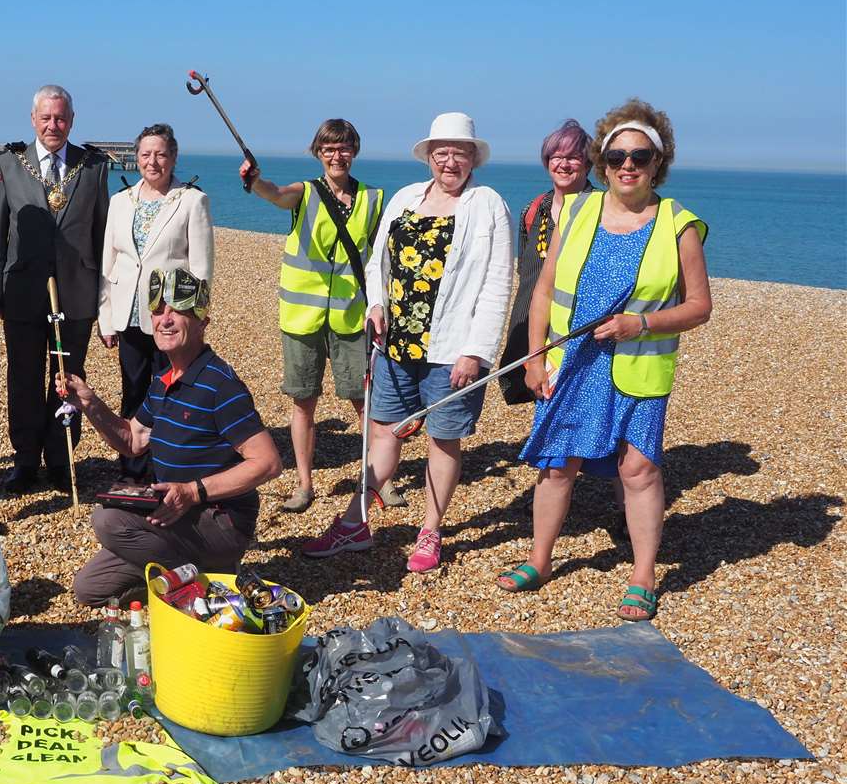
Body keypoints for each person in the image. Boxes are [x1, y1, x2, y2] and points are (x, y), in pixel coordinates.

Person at [498, 100, 710, 621]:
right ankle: (539, 560)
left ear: (659, 161)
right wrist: (532, 361)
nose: (627, 165)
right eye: (616, 156)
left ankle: (643, 575)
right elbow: (543, 290)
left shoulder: (679, 225)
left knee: (638, 471)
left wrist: (640, 324)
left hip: (638, 368)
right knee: (556, 465)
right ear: (603, 162)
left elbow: (700, 306)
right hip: (572, 362)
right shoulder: (577, 211)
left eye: (640, 155)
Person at [303, 113, 513, 573]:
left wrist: (476, 352)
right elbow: (378, 262)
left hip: (452, 351)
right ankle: (355, 523)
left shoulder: (487, 204)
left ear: (474, 157)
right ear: (429, 156)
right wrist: (375, 306)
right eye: (442, 152)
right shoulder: (404, 198)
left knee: (443, 440)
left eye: (460, 152)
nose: (450, 161)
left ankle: (430, 530)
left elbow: (498, 285)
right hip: (394, 344)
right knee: (383, 432)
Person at [58, 268, 282, 606]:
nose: (166, 319)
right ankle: (179, 578)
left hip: (218, 520)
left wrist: (193, 492)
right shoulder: (164, 378)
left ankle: (209, 577)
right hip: (172, 511)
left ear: (203, 320)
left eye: (179, 311)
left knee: (107, 521)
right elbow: (133, 440)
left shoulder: (221, 385)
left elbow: (268, 463)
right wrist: (89, 402)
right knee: (90, 588)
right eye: (159, 310)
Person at [241, 119, 398, 512]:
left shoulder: (374, 199)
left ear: (354, 151)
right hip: (301, 318)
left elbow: (382, 259)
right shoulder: (305, 192)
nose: (336, 155)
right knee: (303, 402)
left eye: (344, 148)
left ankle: (381, 480)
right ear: (318, 152)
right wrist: (255, 181)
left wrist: (384, 306)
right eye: (329, 148)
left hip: (351, 317)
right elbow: (276, 194)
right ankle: (304, 483)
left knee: (366, 403)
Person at [0, 85, 110, 494]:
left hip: (76, 290)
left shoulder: (93, 167)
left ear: (71, 121)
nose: (53, 125)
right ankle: (24, 460)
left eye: (60, 118)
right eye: (46, 118)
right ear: (33, 120)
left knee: (68, 378)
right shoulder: (9, 163)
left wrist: (105, 296)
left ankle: (61, 458)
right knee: (22, 377)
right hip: (21, 290)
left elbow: (103, 232)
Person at [99, 123, 213, 481]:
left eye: (161, 154)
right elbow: (108, 262)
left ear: (174, 157)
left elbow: (202, 268)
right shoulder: (120, 201)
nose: (153, 161)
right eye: (146, 154)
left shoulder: (192, 200)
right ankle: (133, 470)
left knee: (170, 390)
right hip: (128, 313)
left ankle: (169, 467)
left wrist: (196, 319)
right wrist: (105, 318)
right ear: (137, 157)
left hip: (171, 317)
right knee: (133, 390)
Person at [499, 120, 596, 404]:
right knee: (538, 396)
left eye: (574, 157)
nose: (564, 164)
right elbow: (525, 271)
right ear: (547, 161)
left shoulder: (601, 209)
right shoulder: (534, 209)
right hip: (531, 320)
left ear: (588, 163)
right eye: (557, 157)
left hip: (577, 327)